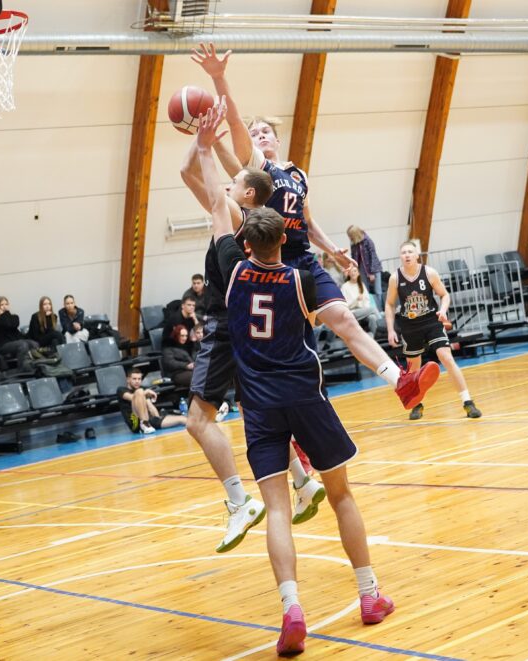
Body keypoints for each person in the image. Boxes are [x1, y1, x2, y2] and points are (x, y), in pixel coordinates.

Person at [196, 106, 393, 654]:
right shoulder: (301, 282)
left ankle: (291, 610)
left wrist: (207, 148)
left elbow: (216, 203)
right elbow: (342, 324)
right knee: (341, 495)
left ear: (246, 240)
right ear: (285, 236)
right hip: (305, 396)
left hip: (259, 408)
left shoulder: (232, 270)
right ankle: (369, 595)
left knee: (278, 511)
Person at [193, 43, 439, 412]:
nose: (260, 135)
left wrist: (333, 251)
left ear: (278, 139)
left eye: (266, 131)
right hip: (273, 263)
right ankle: (290, 424)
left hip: (304, 258)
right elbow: (235, 123)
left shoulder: (298, 175)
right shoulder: (258, 170)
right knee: (292, 350)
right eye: (255, 133)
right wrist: (218, 77)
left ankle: (401, 382)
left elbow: (307, 223)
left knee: (344, 319)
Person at [180, 97, 326, 554]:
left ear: (246, 195)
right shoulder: (258, 220)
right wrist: (203, 139)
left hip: (226, 324)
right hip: (252, 329)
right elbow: (194, 175)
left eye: (237, 181)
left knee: (197, 421)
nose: (229, 182)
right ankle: (303, 481)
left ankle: (239, 501)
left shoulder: (235, 216)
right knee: (255, 411)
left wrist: (203, 142)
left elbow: (194, 178)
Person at [385, 241, 482, 421]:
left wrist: (443, 311)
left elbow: (444, 295)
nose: (407, 255)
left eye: (410, 252)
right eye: (403, 252)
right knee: (413, 369)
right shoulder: (395, 278)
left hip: (431, 321)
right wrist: (391, 330)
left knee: (446, 357)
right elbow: (389, 304)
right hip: (410, 326)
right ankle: (417, 405)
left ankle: (468, 401)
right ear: (400, 256)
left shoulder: (429, 273)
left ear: (417, 255)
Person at [117, 367, 187, 435]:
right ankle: (144, 423)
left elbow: (154, 412)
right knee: (139, 391)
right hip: (135, 423)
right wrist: (146, 392)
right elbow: (133, 397)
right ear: (128, 380)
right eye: (134, 379)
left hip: (150, 421)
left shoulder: (143, 390)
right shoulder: (121, 390)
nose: (137, 381)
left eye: (139, 379)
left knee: (182, 419)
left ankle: (146, 424)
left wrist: (148, 400)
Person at [0, 297, 38, 364]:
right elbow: (7, 324)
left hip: (18, 341)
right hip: (4, 345)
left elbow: (13, 324)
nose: (4, 307)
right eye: (2, 305)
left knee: (34, 344)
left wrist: (5, 314)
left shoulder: (15, 317)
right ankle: (22, 367)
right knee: (22, 345)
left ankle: (36, 365)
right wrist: (2, 314)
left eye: (6, 304)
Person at [347, 225, 384, 303]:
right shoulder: (353, 243)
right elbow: (353, 257)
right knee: (365, 290)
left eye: (350, 235)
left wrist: (371, 273)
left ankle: (380, 308)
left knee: (378, 291)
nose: (350, 238)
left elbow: (373, 256)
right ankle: (370, 307)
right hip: (361, 268)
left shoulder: (368, 241)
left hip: (373, 268)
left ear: (355, 234)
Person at [340, 265, 380, 338]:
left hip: (363, 310)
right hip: (352, 312)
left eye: (355, 271)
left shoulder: (361, 284)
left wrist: (366, 310)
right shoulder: (345, 287)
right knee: (373, 309)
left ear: (358, 273)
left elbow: (367, 301)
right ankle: (383, 324)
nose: (353, 273)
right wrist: (356, 300)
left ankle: (373, 338)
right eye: (351, 271)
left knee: (372, 317)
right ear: (349, 274)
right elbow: (345, 305)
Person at [161, 324, 196, 389]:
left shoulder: (188, 346)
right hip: (176, 373)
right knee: (198, 377)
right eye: (182, 336)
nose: (184, 338)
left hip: (190, 371)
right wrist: (186, 365)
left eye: (186, 336)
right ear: (176, 335)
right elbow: (169, 363)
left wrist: (194, 343)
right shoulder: (168, 346)